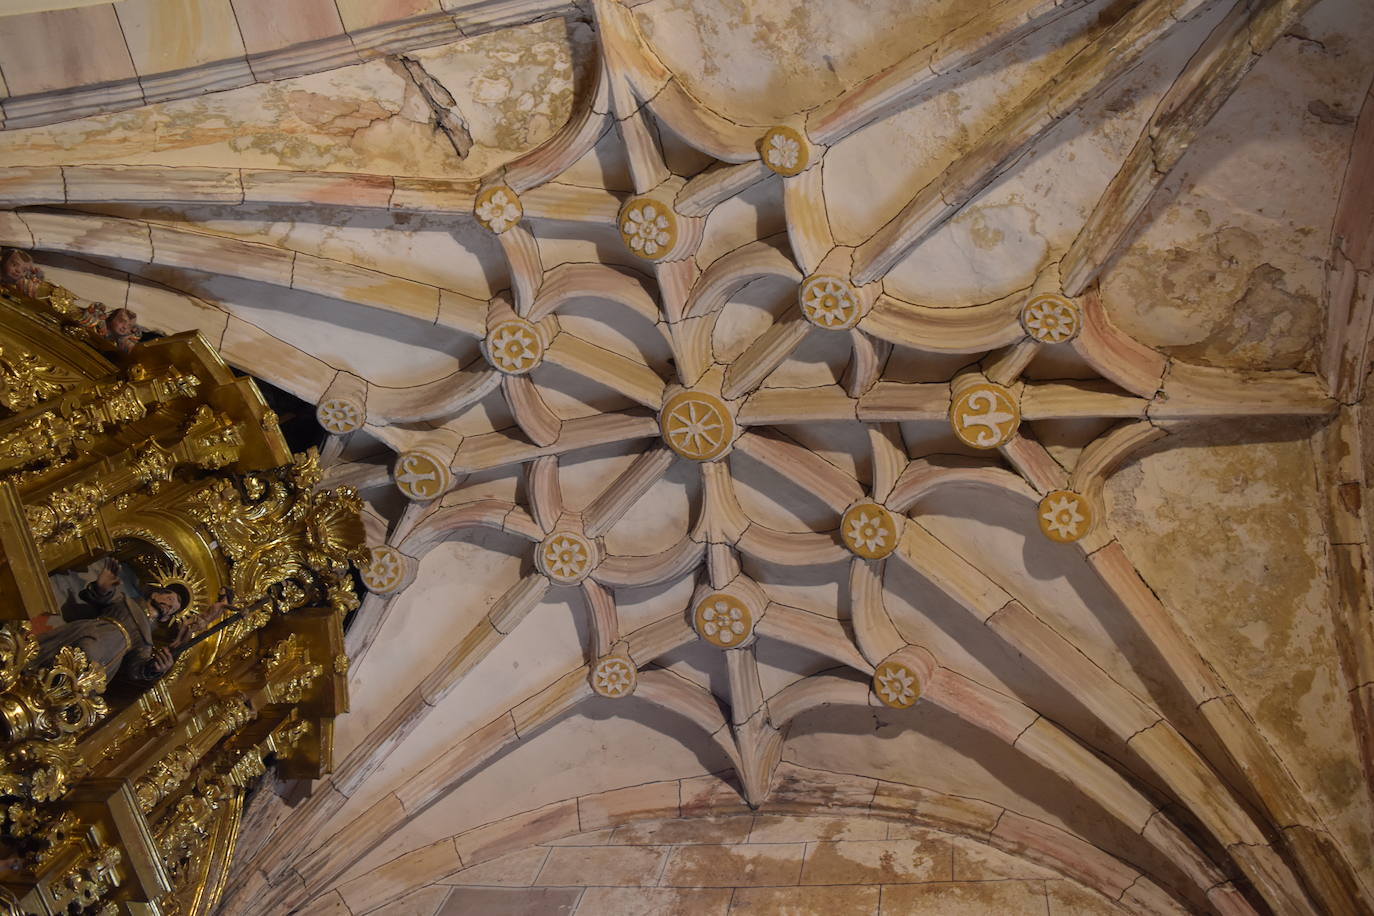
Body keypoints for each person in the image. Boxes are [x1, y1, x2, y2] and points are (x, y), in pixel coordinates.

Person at [35, 558, 217, 684]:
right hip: (93, 631)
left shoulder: (145, 641)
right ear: (155, 594)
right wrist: (103, 586)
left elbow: (138, 667)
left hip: (108, 659)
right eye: (170, 598)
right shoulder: (124, 601)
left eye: (174, 607)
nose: (171, 604)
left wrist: (156, 668)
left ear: (167, 617)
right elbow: (105, 597)